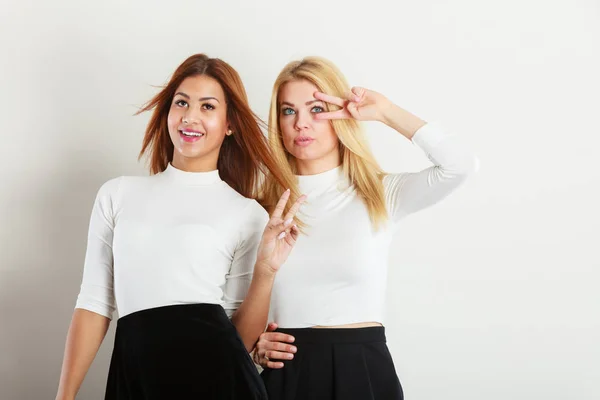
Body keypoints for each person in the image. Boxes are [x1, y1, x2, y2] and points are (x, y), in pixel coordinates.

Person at [55, 53, 305, 400]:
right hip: (136, 375)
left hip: (219, 380)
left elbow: (241, 338)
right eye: (182, 103)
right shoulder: (118, 195)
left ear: (230, 123)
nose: (190, 117)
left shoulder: (247, 214)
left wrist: (265, 270)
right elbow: (94, 304)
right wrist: (64, 396)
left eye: (207, 107)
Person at [254, 56, 479, 399]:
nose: (301, 123)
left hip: (361, 371)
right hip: (286, 374)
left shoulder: (380, 193)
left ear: (340, 114)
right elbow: (230, 302)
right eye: (288, 111)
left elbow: (459, 165)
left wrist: (386, 112)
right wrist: (252, 346)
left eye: (316, 109)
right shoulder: (260, 207)